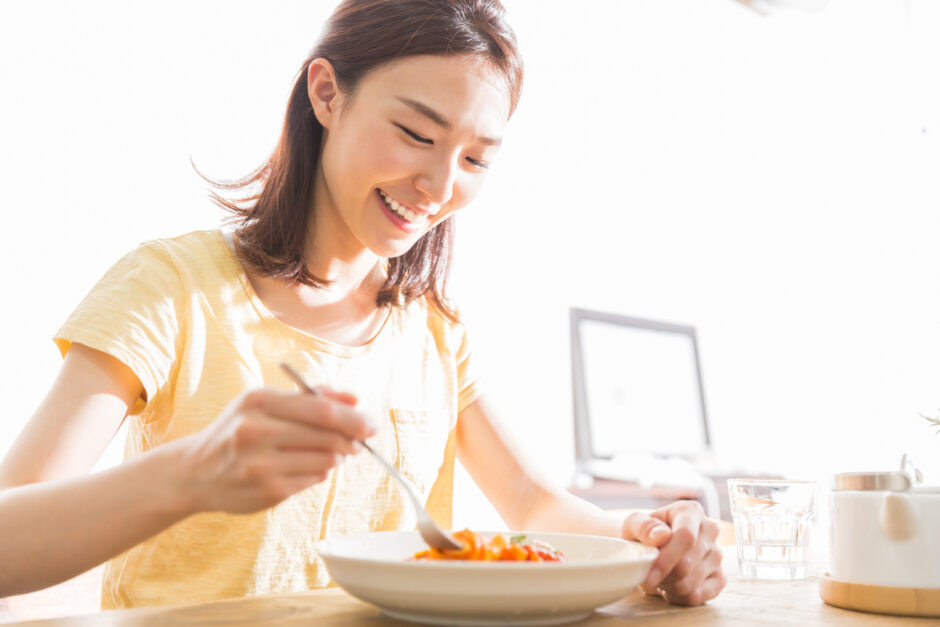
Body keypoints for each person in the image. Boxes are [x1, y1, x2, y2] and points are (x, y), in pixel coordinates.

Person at [0, 0, 726, 610]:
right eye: (415, 133)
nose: (440, 185)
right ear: (326, 93)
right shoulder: (172, 287)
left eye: (475, 159)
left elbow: (537, 507)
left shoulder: (434, 331)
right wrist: (192, 472)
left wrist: (645, 537)